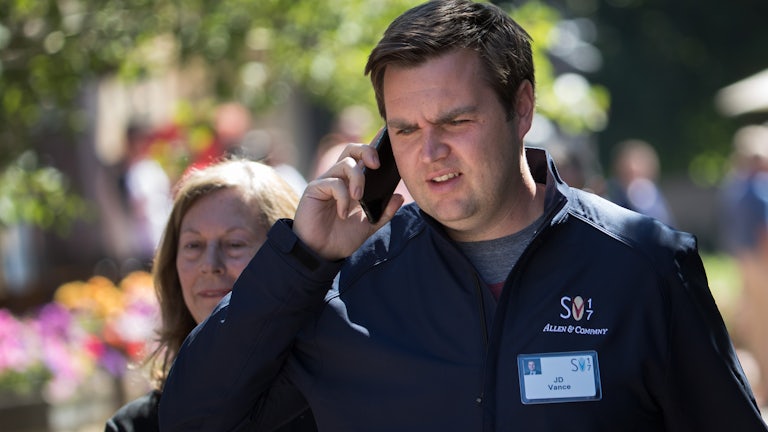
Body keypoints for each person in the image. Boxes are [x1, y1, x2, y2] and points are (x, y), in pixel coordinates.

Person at [159, 1, 767, 430]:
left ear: (521, 107)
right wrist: (302, 258)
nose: (430, 153)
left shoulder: (645, 267)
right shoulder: (347, 288)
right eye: (405, 129)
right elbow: (191, 417)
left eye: (456, 121)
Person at [105, 158, 316, 431]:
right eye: (193, 245)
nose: (209, 265)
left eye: (234, 244)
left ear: (287, 259)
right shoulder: (136, 426)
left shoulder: (333, 402)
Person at [719, 124, 768, 404]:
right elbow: (765, 234)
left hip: (742, 262)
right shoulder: (757, 189)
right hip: (761, 265)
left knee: (752, 328)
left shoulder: (733, 187)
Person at [606, 139, 675, 226]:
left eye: (637, 175)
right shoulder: (611, 191)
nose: (633, 182)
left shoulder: (651, 198)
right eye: (626, 174)